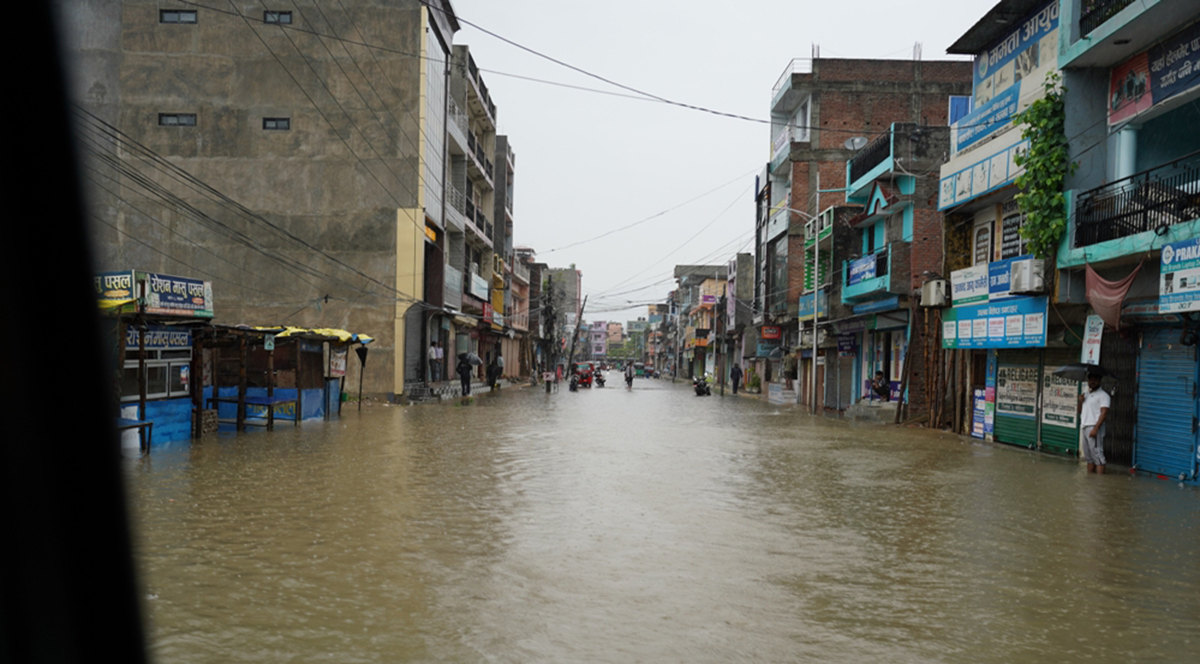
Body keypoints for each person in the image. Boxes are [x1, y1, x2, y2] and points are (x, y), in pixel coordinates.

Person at [1078, 371, 1110, 474]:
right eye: (1091, 379)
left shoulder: (1103, 395)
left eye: (1095, 380)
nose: (1093, 382)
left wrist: (1096, 428)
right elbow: (1080, 411)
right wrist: (1080, 401)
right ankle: (1090, 480)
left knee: (1098, 456)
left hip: (1094, 427)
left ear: (1100, 381)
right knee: (1089, 457)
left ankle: (1100, 482)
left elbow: (1104, 413)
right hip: (1084, 426)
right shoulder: (1086, 395)